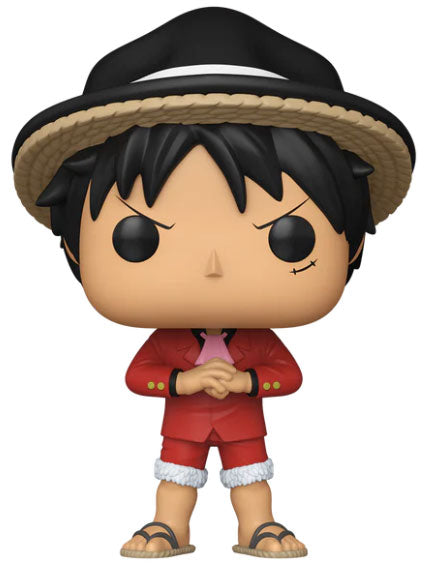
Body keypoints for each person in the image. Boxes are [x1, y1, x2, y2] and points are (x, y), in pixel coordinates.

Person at [11, 7, 415, 559]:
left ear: (353, 245)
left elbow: (289, 376)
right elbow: (138, 377)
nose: (213, 266)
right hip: (182, 426)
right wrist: (185, 383)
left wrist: (247, 382)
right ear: (74, 247)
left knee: (252, 480)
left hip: (245, 425)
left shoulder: (258, 343)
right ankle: (168, 528)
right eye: (138, 238)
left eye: (289, 237)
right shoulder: (169, 343)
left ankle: (258, 528)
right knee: (175, 480)